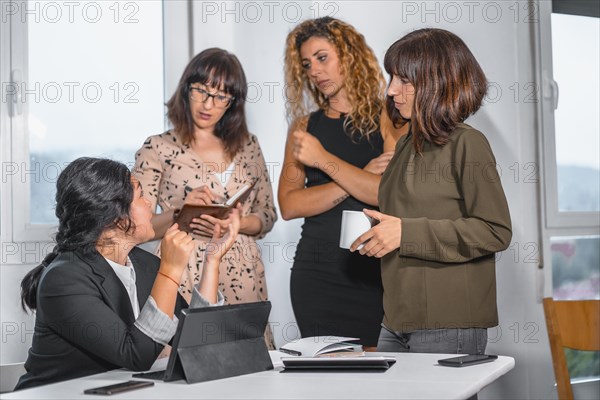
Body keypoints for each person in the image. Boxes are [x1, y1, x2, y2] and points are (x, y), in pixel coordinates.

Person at [351, 28, 512, 354]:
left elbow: (496, 231)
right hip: (395, 319)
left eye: (404, 80)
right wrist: (378, 231)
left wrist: (404, 233)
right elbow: (411, 219)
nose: (391, 90)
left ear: (438, 82)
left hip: (448, 321)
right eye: (392, 77)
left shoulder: (468, 143)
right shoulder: (406, 145)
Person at [15, 157, 240, 389]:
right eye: (141, 196)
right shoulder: (64, 279)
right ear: (117, 216)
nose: (150, 205)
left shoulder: (145, 265)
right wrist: (170, 270)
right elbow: (136, 355)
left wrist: (212, 260)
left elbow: (196, 342)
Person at [134, 48, 277, 347]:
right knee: (188, 358)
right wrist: (181, 212)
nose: (209, 104)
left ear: (233, 102)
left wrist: (237, 222)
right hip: (182, 266)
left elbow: (267, 215)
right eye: (201, 91)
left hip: (242, 268)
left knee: (246, 362)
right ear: (186, 89)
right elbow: (137, 226)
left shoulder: (248, 146)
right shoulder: (158, 147)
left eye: (222, 96)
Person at [278, 17, 407, 348]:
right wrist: (358, 173)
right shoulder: (304, 127)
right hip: (315, 273)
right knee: (325, 385)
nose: (315, 71)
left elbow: (385, 193)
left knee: (376, 381)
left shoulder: (389, 118)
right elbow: (290, 206)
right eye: (307, 64)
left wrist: (323, 161)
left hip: (373, 271)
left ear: (349, 55)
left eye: (323, 58)